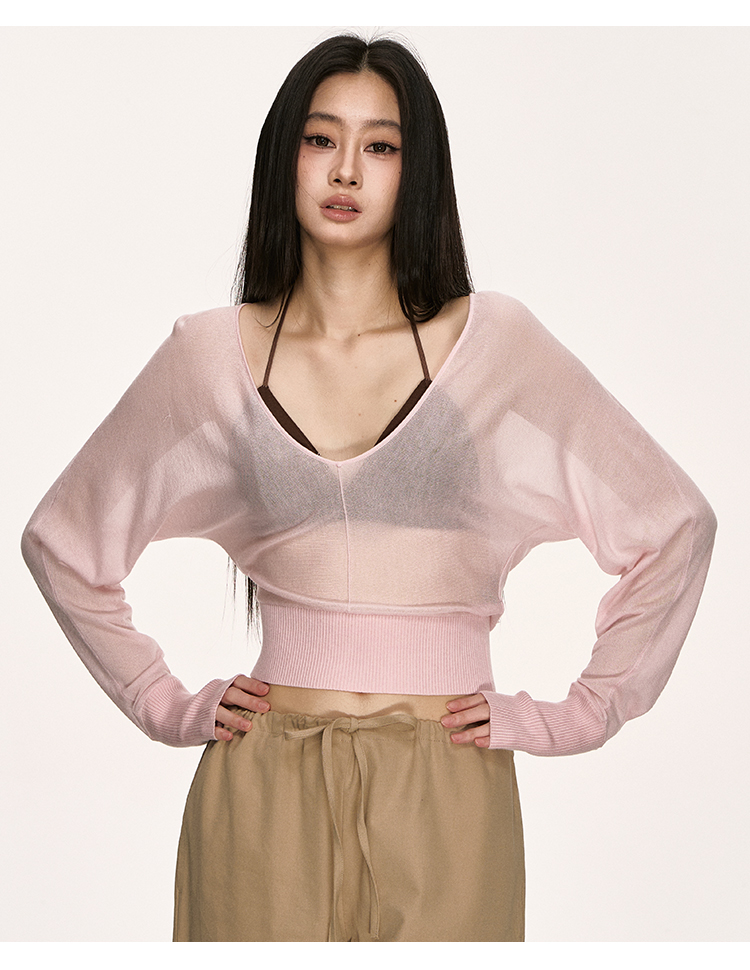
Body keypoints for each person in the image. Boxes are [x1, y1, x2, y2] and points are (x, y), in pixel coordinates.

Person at [21, 34, 716, 943]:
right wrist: (162, 701)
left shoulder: (495, 346)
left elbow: (674, 524)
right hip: (263, 788)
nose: (346, 168)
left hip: (448, 780)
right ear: (285, 156)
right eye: (321, 139)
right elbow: (61, 541)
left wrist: (581, 715)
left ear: (415, 172)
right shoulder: (208, 357)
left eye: (380, 145)